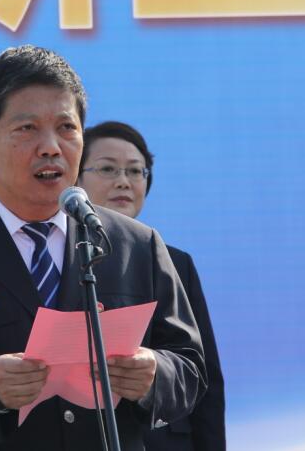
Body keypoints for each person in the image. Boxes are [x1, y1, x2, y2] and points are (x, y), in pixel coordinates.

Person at [0, 45, 207, 451]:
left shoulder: (136, 244)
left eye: (66, 127)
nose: (51, 147)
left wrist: (154, 375)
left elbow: (190, 368)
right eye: (27, 128)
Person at [78, 121, 226, 451]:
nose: (123, 181)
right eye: (107, 169)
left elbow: (205, 380)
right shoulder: (55, 257)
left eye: (135, 171)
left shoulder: (176, 261)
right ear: (75, 180)